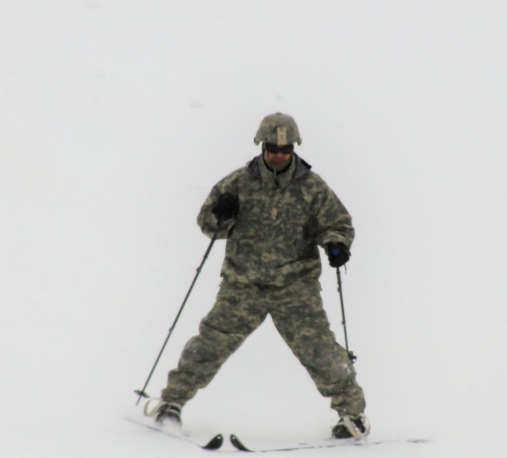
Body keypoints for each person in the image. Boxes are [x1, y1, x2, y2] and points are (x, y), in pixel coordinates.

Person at [146, 113, 369, 439]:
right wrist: (219, 213)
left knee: (320, 350)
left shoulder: (312, 188)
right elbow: (208, 225)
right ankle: (170, 404)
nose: (278, 154)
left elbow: (337, 223)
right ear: (261, 147)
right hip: (243, 284)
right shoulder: (237, 183)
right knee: (209, 345)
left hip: (294, 286)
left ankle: (352, 414)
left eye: (285, 149)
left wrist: (336, 243)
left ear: (293, 148)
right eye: (272, 148)